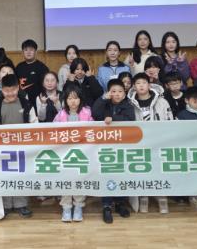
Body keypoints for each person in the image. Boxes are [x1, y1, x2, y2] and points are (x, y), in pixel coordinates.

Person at [0, 74, 37, 218]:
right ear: (1, 90)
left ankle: (21, 204)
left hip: (23, 149)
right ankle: (5, 205)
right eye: (7, 90)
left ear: (18, 88)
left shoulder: (26, 104)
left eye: (13, 90)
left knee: (22, 176)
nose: (10, 93)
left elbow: (35, 125)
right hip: (3, 149)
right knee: (5, 176)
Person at [128, 72, 172, 214]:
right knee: (143, 169)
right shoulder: (130, 104)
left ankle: (162, 198)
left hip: (159, 141)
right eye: (138, 83)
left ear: (149, 85)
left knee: (159, 170)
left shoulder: (162, 102)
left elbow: (170, 121)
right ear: (134, 87)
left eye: (144, 83)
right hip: (139, 143)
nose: (141, 86)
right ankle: (144, 197)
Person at [92, 79, 135, 224]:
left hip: (122, 146)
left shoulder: (128, 105)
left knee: (121, 174)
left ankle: (120, 203)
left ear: (125, 93)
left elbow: (130, 119)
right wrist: (103, 99)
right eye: (113, 91)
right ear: (109, 92)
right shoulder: (104, 103)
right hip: (105, 147)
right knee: (106, 174)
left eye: (120, 91)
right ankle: (106, 205)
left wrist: (113, 119)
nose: (117, 94)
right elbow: (95, 113)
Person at [53, 86, 93, 222]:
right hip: (65, 154)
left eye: (75, 98)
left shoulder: (87, 113)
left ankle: (78, 206)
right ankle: (66, 207)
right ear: (65, 100)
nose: (73, 101)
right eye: (70, 98)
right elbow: (53, 131)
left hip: (82, 153)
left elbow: (93, 131)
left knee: (79, 180)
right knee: (66, 180)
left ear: (80, 99)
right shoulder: (60, 115)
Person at [175, 86, 197, 210]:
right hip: (188, 149)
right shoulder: (181, 115)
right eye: (194, 101)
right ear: (187, 100)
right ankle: (192, 196)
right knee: (190, 173)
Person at [15, 39, 49, 106]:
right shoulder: (18, 67)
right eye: (26, 50)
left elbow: (46, 87)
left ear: (36, 52)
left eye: (31, 50)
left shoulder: (42, 67)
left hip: (38, 101)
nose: (28, 52)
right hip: (21, 101)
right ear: (22, 52)